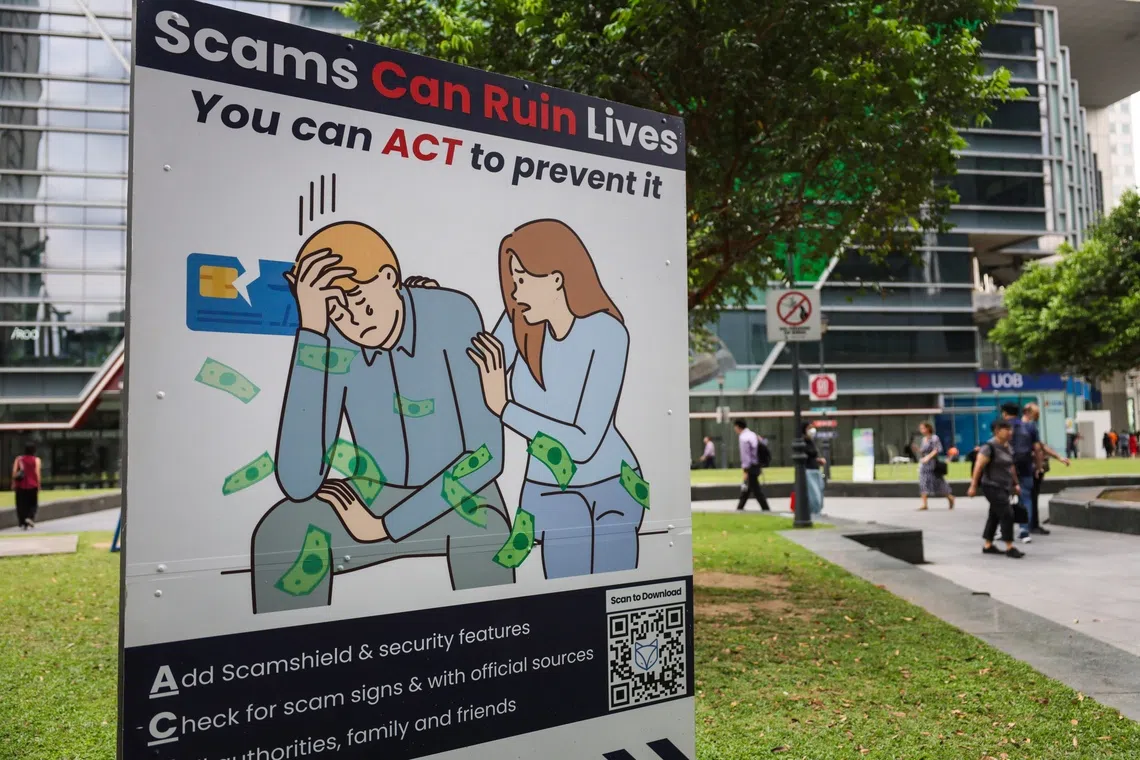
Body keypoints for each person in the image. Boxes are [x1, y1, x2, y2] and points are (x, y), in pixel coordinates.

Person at [250, 221, 514, 614]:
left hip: (460, 494)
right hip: (375, 493)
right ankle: (291, 662)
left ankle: (497, 650)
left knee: (486, 531)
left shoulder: (452, 313)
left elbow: (486, 456)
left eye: (358, 298)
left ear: (390, 278)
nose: (353, 319)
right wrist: (311, 330)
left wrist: (385, 526)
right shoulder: (333, 337)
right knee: (280, 531)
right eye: (334, 308)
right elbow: (299, 481)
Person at [467, 219, 646, 579]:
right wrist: (421, 304)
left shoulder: (607, 333)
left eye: (522, 280)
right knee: (565, 615)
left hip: (614, 484)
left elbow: (583, 443)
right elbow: (471, 369)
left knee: (614, 603)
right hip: (548, 492)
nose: (515, 294)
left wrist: (505, 408)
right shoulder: (519, 325)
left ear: (556, 276)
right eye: (512, 282)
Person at [1013, 402, 1070, 540]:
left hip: (1015, 466)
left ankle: (1018, 527)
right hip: (1026, 467)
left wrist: (1058, 457)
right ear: (1027, 412)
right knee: (1028, 497)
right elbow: (1039, 448)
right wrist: (1039, 467)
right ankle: (1027, 527)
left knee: (1022, 497)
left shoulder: (1017, 426)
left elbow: (1041, 446)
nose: (1038, 415)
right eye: (1036, 412)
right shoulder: (1030, 427)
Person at [968, 419, 1024, 558]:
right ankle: (1009, 546)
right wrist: (973, 486)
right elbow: (978, 466)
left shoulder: (1007, 446)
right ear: (997, 431)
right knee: (1007, 513)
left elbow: (1010, 467)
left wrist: (1015, 483)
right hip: (991, 486)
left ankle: (988, 544)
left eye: (1010, 429)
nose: (1010, 432)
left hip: (1004, 486)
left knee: (994, 514)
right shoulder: (989, 447)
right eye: (1007, 430)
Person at [733, 420, 771, 511]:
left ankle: (766, 509)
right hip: (756, 464)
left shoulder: (743, 438)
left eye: (735, 427)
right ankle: (740, 508)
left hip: (750, 466)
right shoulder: (753, 434)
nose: (734, 429)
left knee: (755, 490)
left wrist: (745, 470)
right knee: (748, 488)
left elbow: (745, 456)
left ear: (738, 427)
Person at [916, 421, 955, 511]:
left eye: (923, 428)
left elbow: (937, 449)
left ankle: (950, 497)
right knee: (923, 482)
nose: (921, 430)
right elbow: (923, 451)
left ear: (928, 428)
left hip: (933, 465)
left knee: (938, 482)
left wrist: (928, 457)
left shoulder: (934, 438)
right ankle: (924, 504)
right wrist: (918, 450)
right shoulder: (924, 439)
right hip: (924, 465)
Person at [11, 443, 42, 530]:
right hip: (32, 485)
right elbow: (37, 473)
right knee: (33, 503)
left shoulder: (19, 459)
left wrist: (13, 482)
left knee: (21, 504)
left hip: (20, 485)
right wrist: (39, 484)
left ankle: (22, 522)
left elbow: (14, 471)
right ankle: (30, 517)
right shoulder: (36, 460)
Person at [802, 423, 826, 515]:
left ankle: (817, 512)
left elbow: (812, 455)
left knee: (820, 492)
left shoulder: (811, 441)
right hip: (808, 471)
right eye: (809, 428)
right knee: (814, 496)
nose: (812, 430)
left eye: (812, 427)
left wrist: (818, 460)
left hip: (816, 470)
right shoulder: (802, 442)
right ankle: (814, 514)